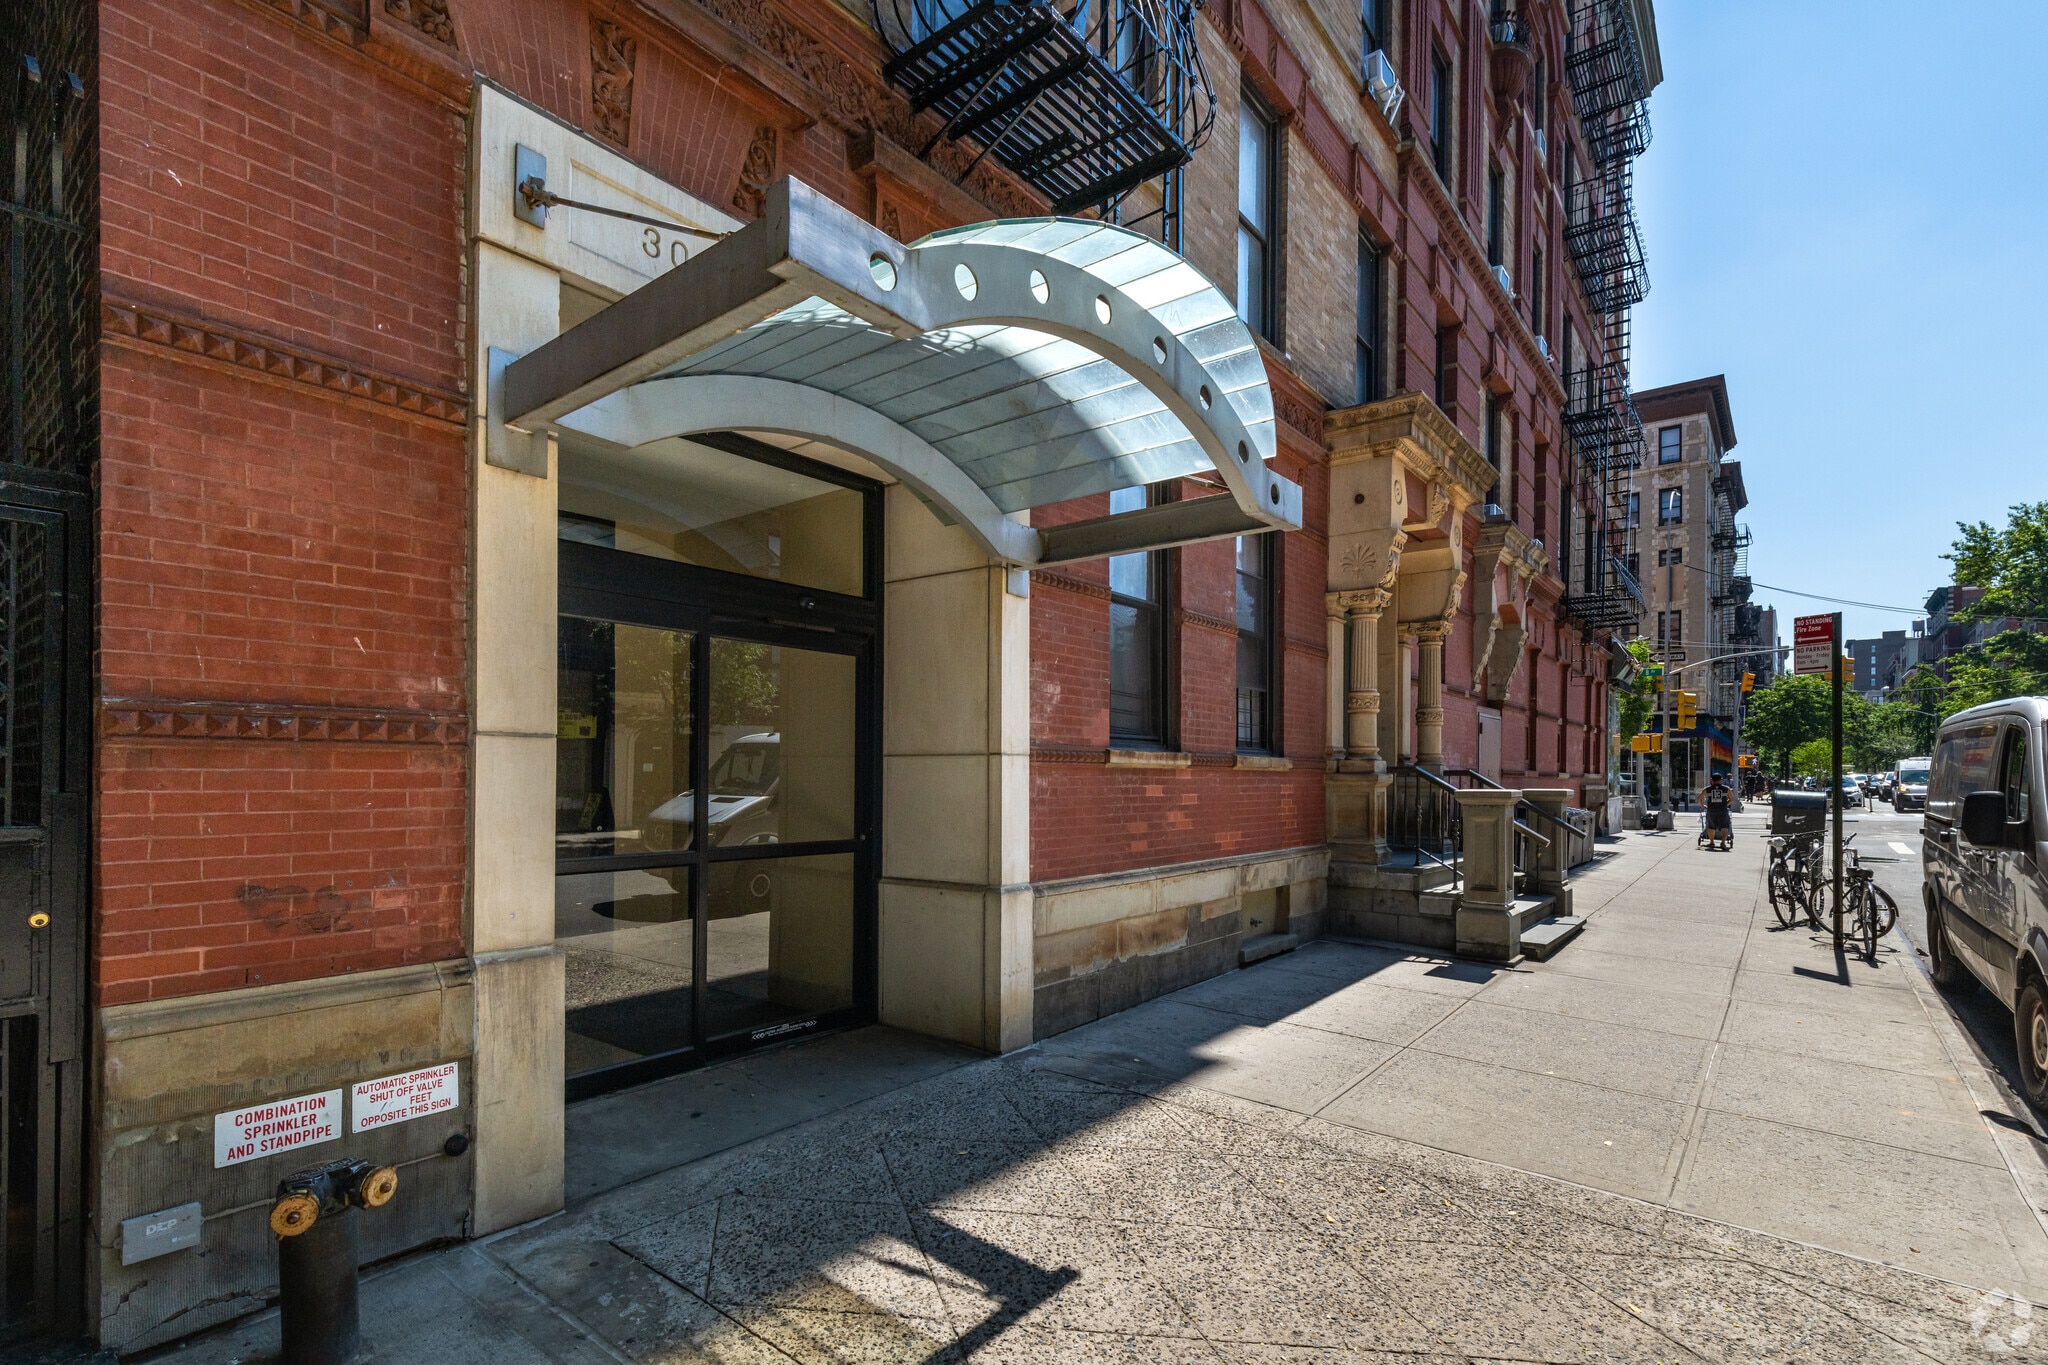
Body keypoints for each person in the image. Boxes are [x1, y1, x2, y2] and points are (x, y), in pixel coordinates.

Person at [1702, 772, 1733, 851]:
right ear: (1721, 780)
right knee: (1724, 826)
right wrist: (1726, 804)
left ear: (1711, 780)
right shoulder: (1726, 789)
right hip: (1723, 810)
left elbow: (1699, 798)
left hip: (1711, 810)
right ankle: (1723, 843)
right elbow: (1732, 799)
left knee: (1711, 826)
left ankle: (1712, 842)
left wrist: (1702, 805)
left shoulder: (1707, 789)